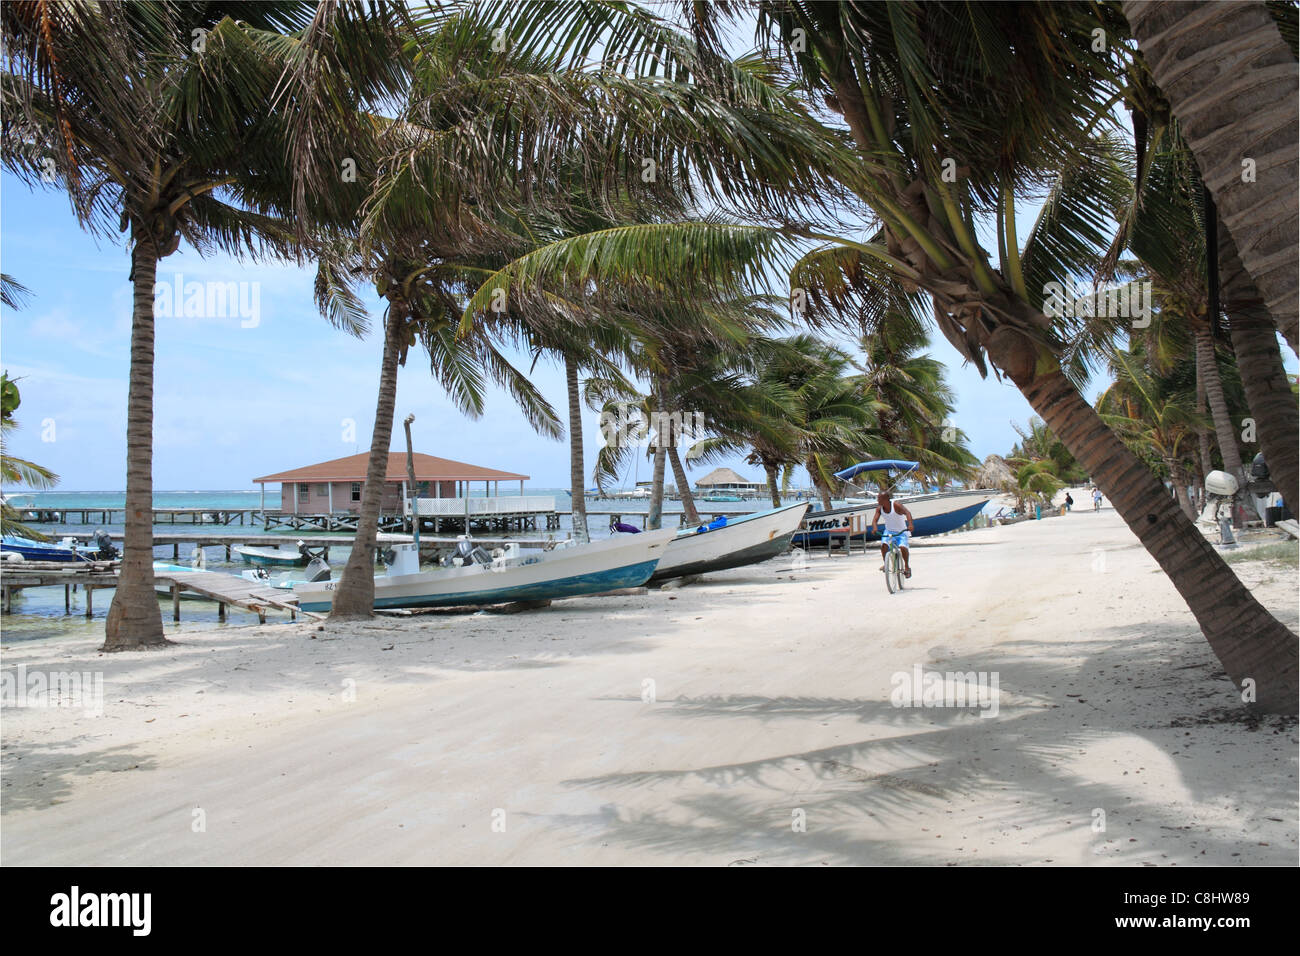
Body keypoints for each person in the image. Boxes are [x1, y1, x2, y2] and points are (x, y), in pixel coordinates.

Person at [870, 491, 915, 578]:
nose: (878, 500)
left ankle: (906, 566)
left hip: (901, 531)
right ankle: (885, 564)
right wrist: (875, 528)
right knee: (884, 545)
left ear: (886, 499)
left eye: (879, 498)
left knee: (902, 547)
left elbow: (907, 513)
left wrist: (910, 524)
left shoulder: (896, 505)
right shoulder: (879, 508)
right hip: (889, 531)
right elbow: (874, 520)